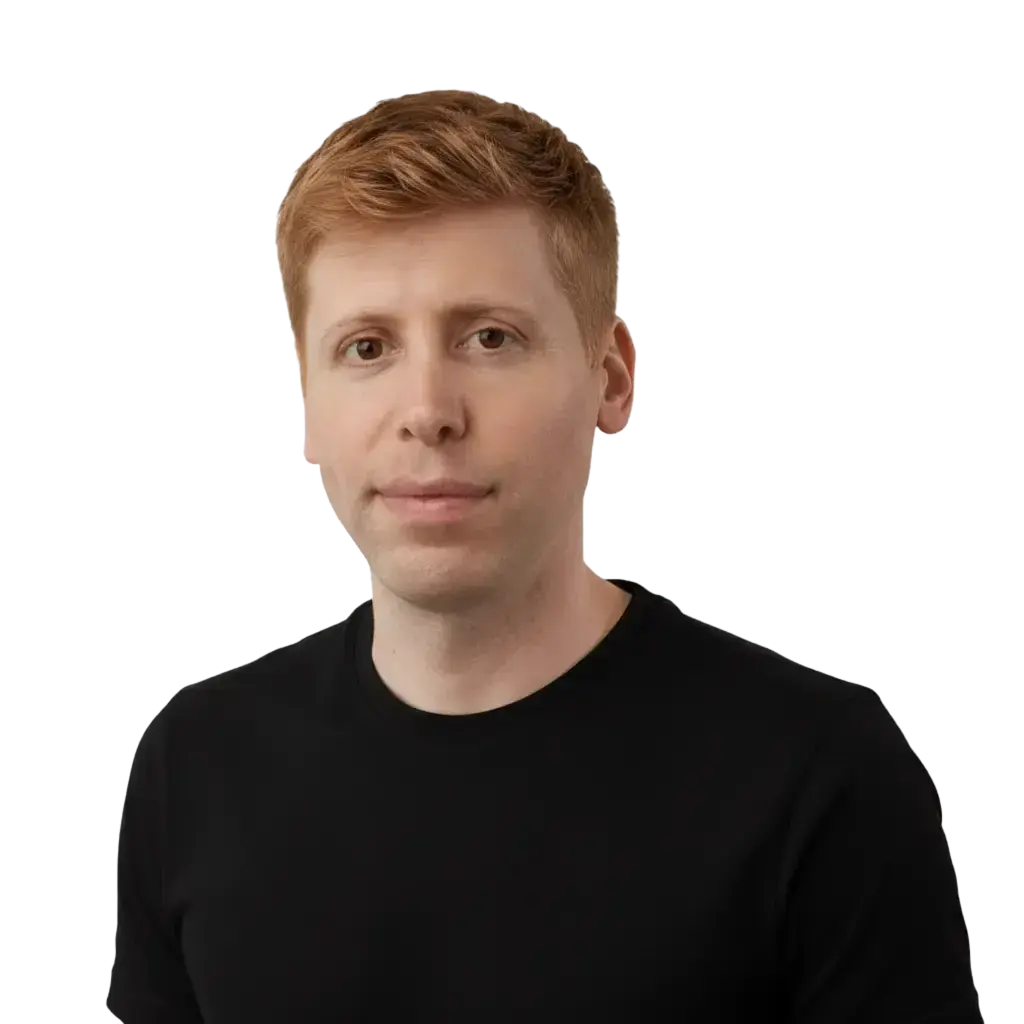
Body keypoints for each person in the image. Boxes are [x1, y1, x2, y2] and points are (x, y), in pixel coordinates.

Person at [106, 89, 980, 1023]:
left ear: (611, 381)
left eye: (490, 338)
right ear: (308, 406)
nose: (428, 410)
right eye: (367, 348)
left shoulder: (819, 775)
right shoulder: (193, 768)